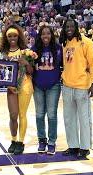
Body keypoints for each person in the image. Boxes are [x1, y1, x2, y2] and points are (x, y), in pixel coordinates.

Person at [59, 18, 93, 159]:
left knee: (84, 118)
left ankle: (85, 147)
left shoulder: (86, 42)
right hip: (67, 86)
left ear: (76, 27)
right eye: (66, 26)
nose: (69, 28)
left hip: (82, 86)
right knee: (69, 119)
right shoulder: (64, 43)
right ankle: (73, 146)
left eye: (71, 26)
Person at [0, 24, 33, 155]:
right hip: (11, 87)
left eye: (14, 35)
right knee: (13, 115)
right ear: (6, 37)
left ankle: (20, 142)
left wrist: (27, 63)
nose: (12, 38)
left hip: (25, 85)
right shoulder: (3, 53)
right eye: (9, 36)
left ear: (19, 36)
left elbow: (31, 71)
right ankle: (13, 140)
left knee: (22, 114)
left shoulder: (26, 51)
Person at [31, 25, 62, 155]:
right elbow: (29, 67)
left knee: (51, 115)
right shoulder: (34, 50)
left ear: (52, 35)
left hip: (53, 86)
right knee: (39, 115)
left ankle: (52, 142)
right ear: (40, 35)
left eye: (48, 33)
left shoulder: (58, 49)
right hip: (38, 86)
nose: (46, 36)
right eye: (43, 34)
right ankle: (42, 140)